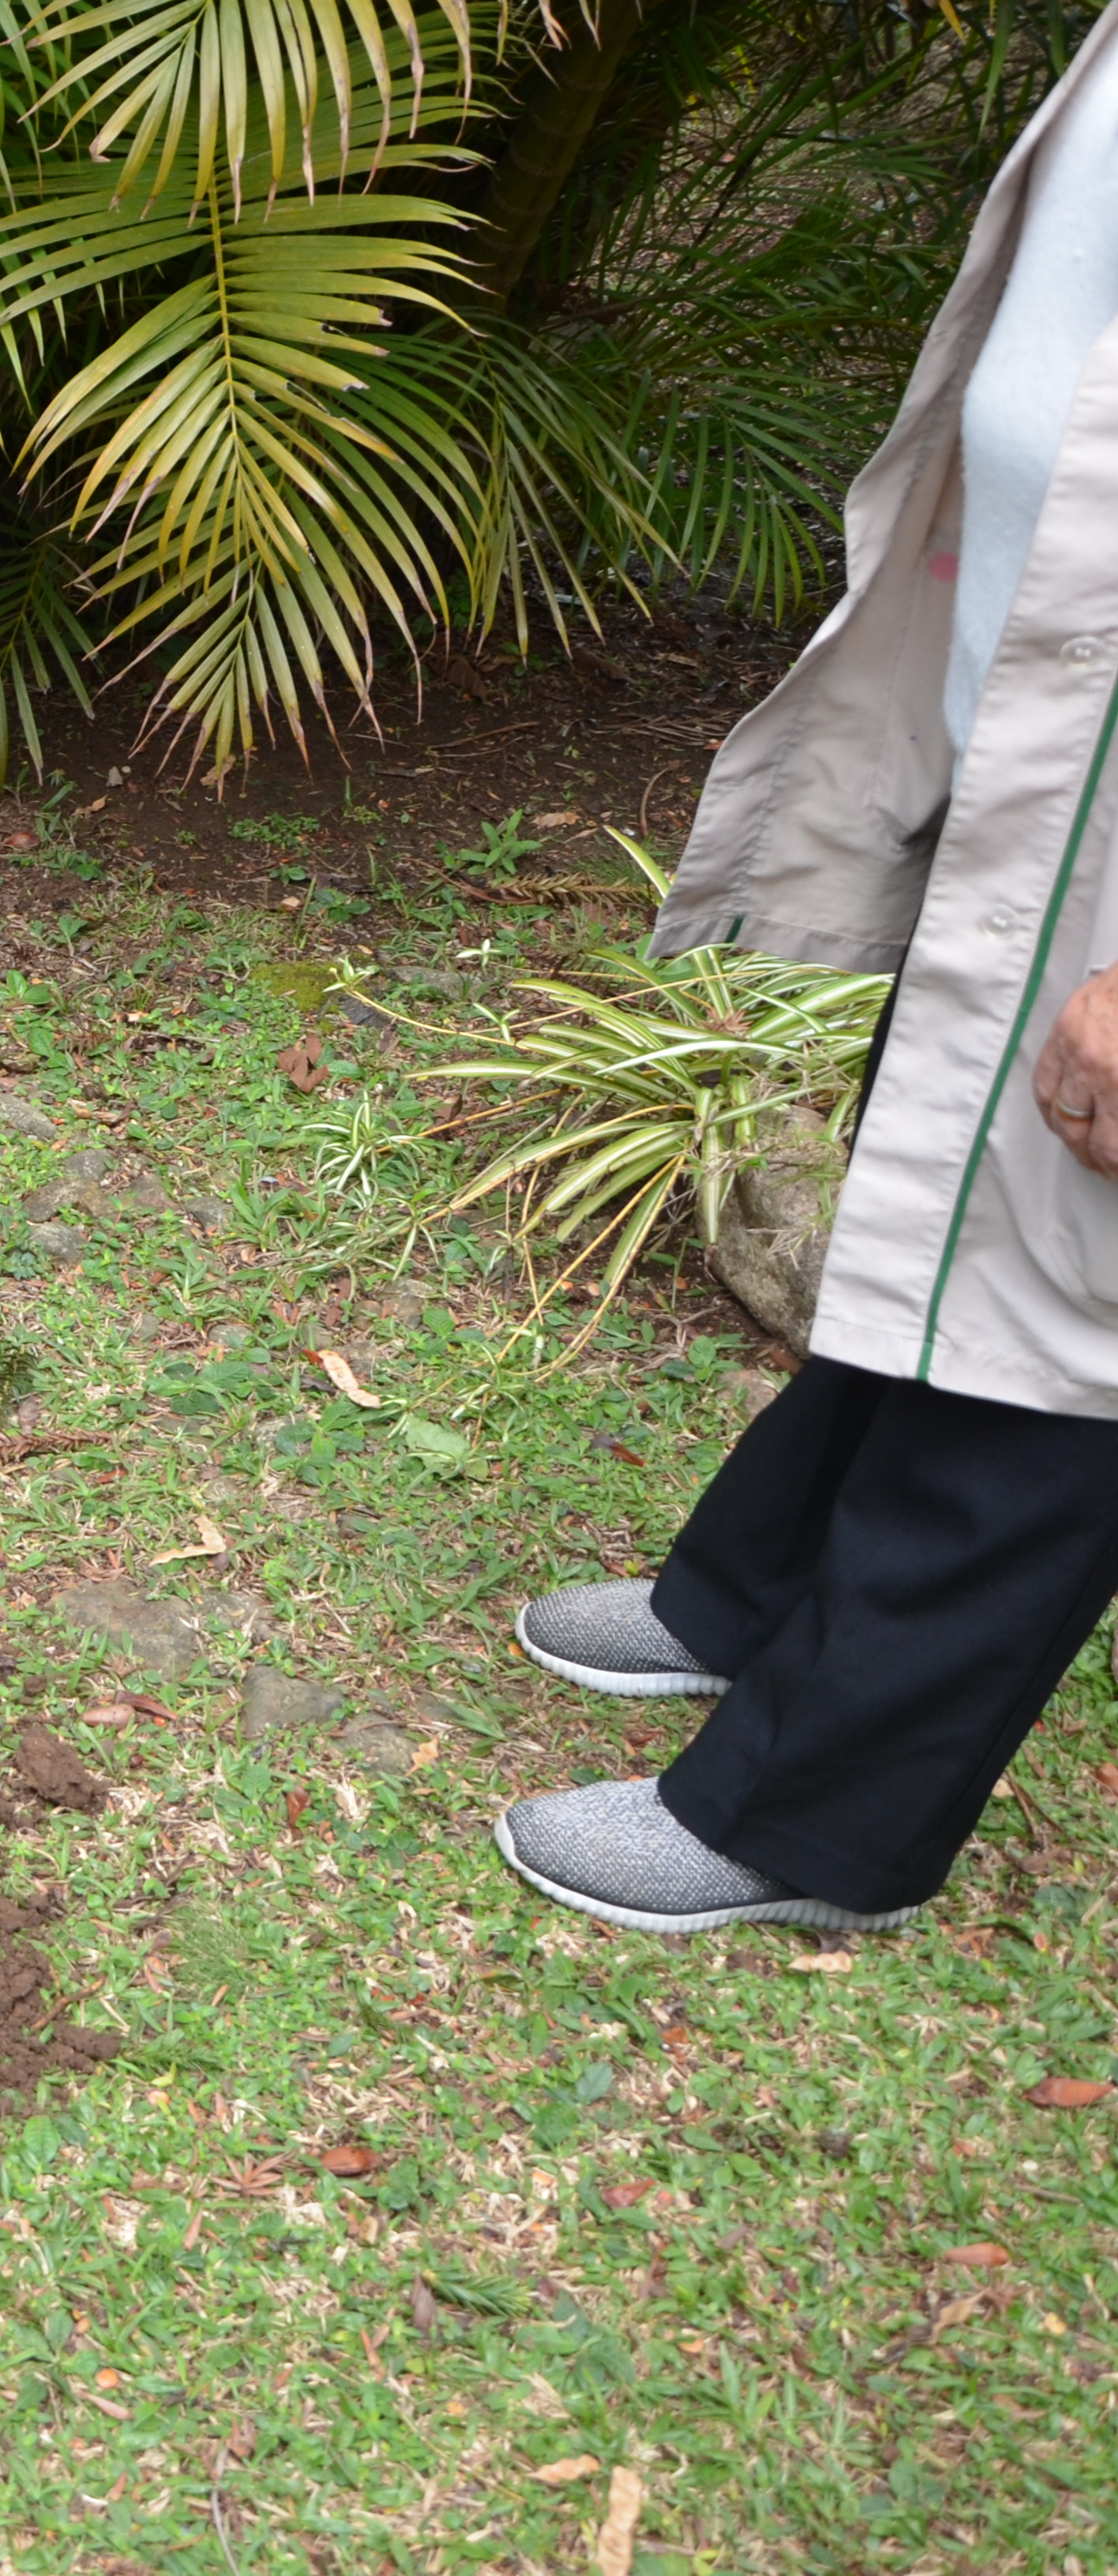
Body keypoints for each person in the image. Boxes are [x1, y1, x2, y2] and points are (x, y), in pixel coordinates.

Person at [493, 9, 1118, 1941]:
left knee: (1061, 1333)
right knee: (942, 1209)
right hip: (1028, 766)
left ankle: (815, 1816)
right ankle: (744, 1604)